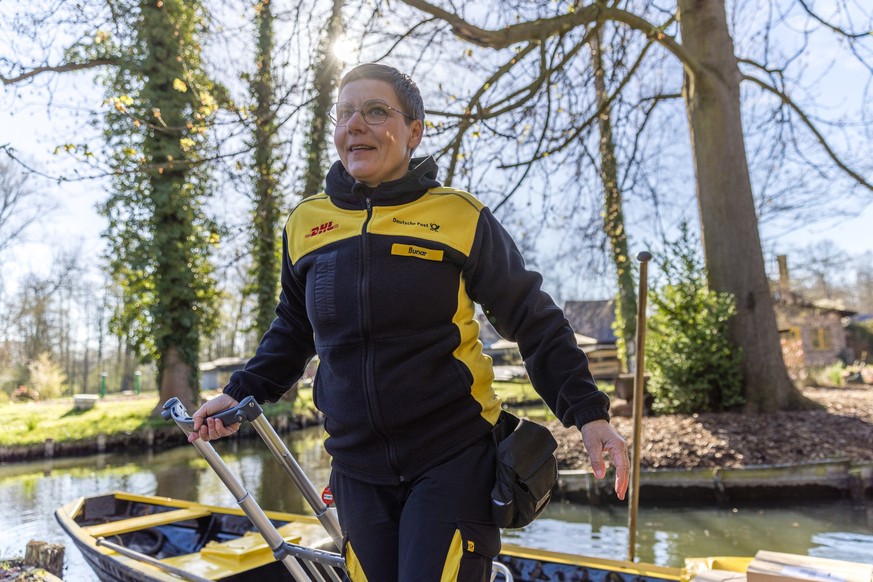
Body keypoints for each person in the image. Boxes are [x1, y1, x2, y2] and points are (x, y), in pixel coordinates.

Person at [189, 62, 629, 582]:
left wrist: (589, 413)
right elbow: (293, 326)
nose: (355, 125)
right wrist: (241, 391)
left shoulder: (460, 217)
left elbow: (534, 319)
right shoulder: (305, 224)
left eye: (376, 111)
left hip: (453, 455)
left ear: (414, 131)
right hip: (356, 467)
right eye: (345, 113)